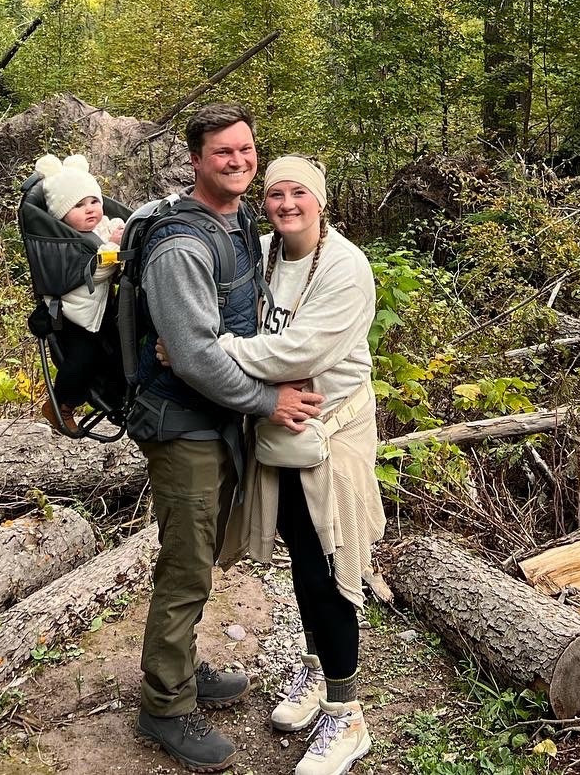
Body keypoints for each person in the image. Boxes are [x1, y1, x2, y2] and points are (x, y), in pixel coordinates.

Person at [132, 105, 325, 773]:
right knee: (185, 564)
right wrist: (268, 400)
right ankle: (165, 705)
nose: (239, 161)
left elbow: (231, 325)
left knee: (203, 550)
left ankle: (180, 668)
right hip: (181, 423)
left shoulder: (238, 219)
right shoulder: (182, 244)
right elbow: (195, 358)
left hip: (213, 419)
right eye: (223, 153)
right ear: (195, 159)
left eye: (246, 150)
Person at [218, 155, 384, 775]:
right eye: (276, 193)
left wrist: (211, 353)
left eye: (299, 193)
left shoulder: (346, 268)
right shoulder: (260, 253)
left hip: (332, 429)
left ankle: (348, 717)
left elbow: (300, 349)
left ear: (320, 200)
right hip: (279, 425)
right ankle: (317, 678)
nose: (287, 204)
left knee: (329, 564)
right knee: (299, 555)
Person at [29, 153, 126, 434]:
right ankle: (60, 405)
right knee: (80, 361)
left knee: (110, 356)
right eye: (78, 205)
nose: (90, 209)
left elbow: (112, 229)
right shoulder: (65, 241)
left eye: (94, 201)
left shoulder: (98, 228)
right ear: (61, 214)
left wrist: (119, 230)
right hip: (73, 317)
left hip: (97, 312)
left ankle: (111, 399)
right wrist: (115, 248)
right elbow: (93, 271)